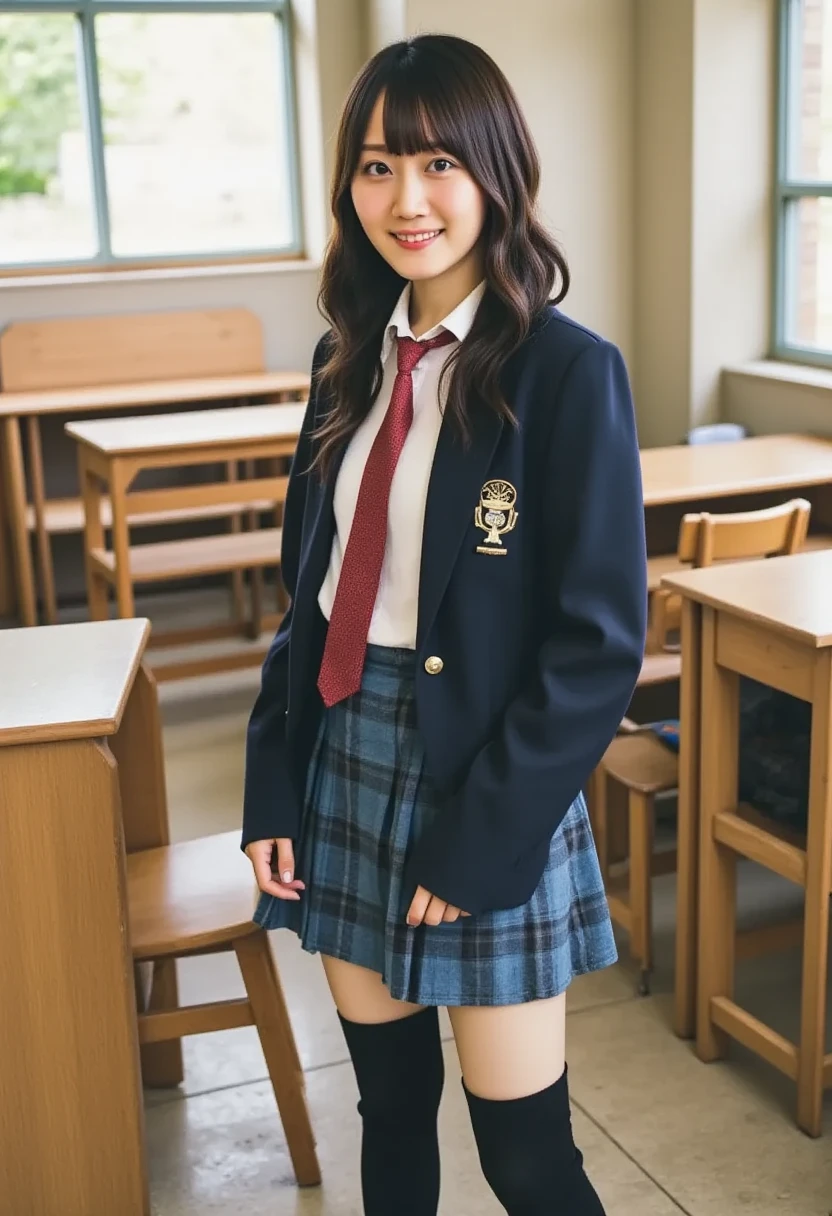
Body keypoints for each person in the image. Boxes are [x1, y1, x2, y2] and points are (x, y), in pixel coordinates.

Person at [242, 33, 646, 1216]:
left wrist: (486, 839)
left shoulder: (568, 373)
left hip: (488, 774)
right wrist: (274, 780)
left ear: (494, 173)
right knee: (388, 1113)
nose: (405, 201)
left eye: (435, 165)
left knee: (527, 1156)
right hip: (342, 753)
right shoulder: (343, 364)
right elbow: (305, 594)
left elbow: (595, 647)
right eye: (376, 168)